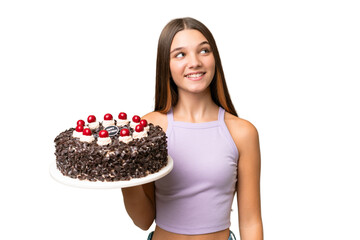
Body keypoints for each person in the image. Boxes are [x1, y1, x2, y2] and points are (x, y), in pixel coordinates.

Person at [121, 17, 263, 240]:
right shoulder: (148, 129)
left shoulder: (242, 133)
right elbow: (143, 220)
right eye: (180, 54)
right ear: (165, 65)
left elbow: (251, 221)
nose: (195, 62)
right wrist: (124, 174)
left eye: (204, 51)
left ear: (214, 58)